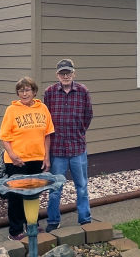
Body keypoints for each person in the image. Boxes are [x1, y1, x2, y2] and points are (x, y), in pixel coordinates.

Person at [0, 77, 54, 241]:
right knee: (16, 196)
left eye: (27, 90)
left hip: (36, 158)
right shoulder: (12, 110)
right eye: (21, 90)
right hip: (17, 161)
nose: (24, 93)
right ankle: (15, 231)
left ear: (34, 92)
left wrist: (47, 157)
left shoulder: (42, 108)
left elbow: (47, 135)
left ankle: (32, 223)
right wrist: (13, 156)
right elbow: (4, 136)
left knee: (33, 194)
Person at [44, 59, 93, 232]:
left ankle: (85, 219)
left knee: (81, 186)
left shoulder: (83, 91)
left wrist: (79, 132)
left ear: (74, 73)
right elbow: (46, 120)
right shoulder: (49, 93)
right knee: (55, 188)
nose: (65, 76)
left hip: (78, 148)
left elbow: (88, 115)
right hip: (57, 150)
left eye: (68, 72)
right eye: (62, 73)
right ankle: (53, 220)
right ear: (57, 75)